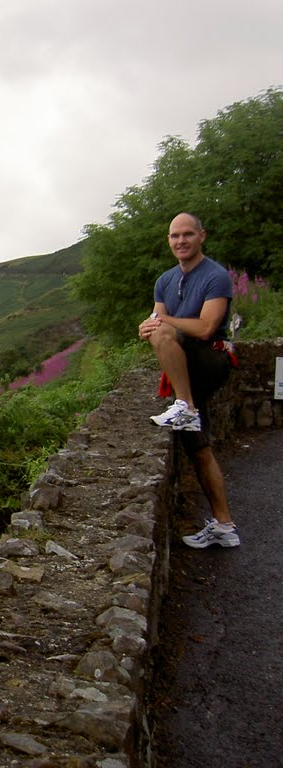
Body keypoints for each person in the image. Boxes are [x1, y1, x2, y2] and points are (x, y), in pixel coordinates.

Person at [137, 212, 239, 549]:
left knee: (164, 332)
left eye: (187, 235)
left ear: (202, 236)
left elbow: (207, 327)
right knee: (198, 446)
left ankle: (184, 405)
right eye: (174, 236)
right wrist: (147, 327)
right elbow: (157, 322)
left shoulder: (216, 276)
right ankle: (224, 526)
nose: (180, 241)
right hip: (185, 364)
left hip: (210, 359)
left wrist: (161, 322)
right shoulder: (165, 280)